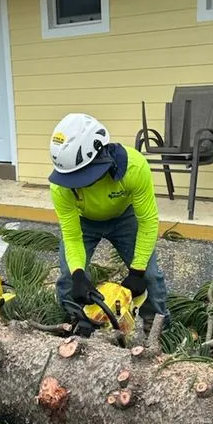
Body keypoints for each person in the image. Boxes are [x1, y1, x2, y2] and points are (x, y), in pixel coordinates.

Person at [49, 112, 168, 329]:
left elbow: (148, 221)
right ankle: (70, 324)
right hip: (85, 222)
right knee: (67, 276)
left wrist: (137, 271)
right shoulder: (60, 186)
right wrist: (78, 274)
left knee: (150, 275)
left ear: (100, 156)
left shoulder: (134, 167)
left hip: (125, 217)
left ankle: (158, 329)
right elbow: (71, 234)